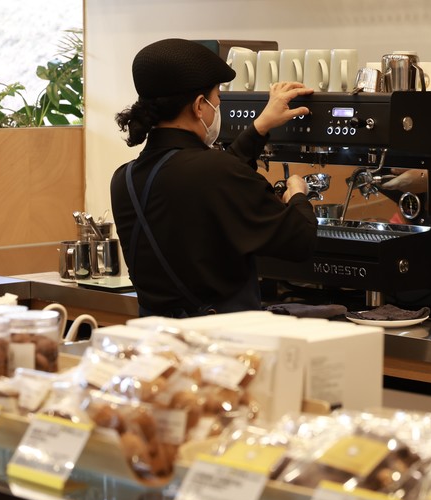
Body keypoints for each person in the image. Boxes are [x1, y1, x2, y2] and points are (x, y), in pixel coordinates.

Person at [110, 38, 317, 317]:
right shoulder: (215, 171)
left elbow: (208, 180)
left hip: (156, 335)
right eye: (217, 98)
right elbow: (301, 240)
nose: (218, 105)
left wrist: (260, 127)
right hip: (219, 335)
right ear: (199, 105)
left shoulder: (123, 178)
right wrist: (298, 195)